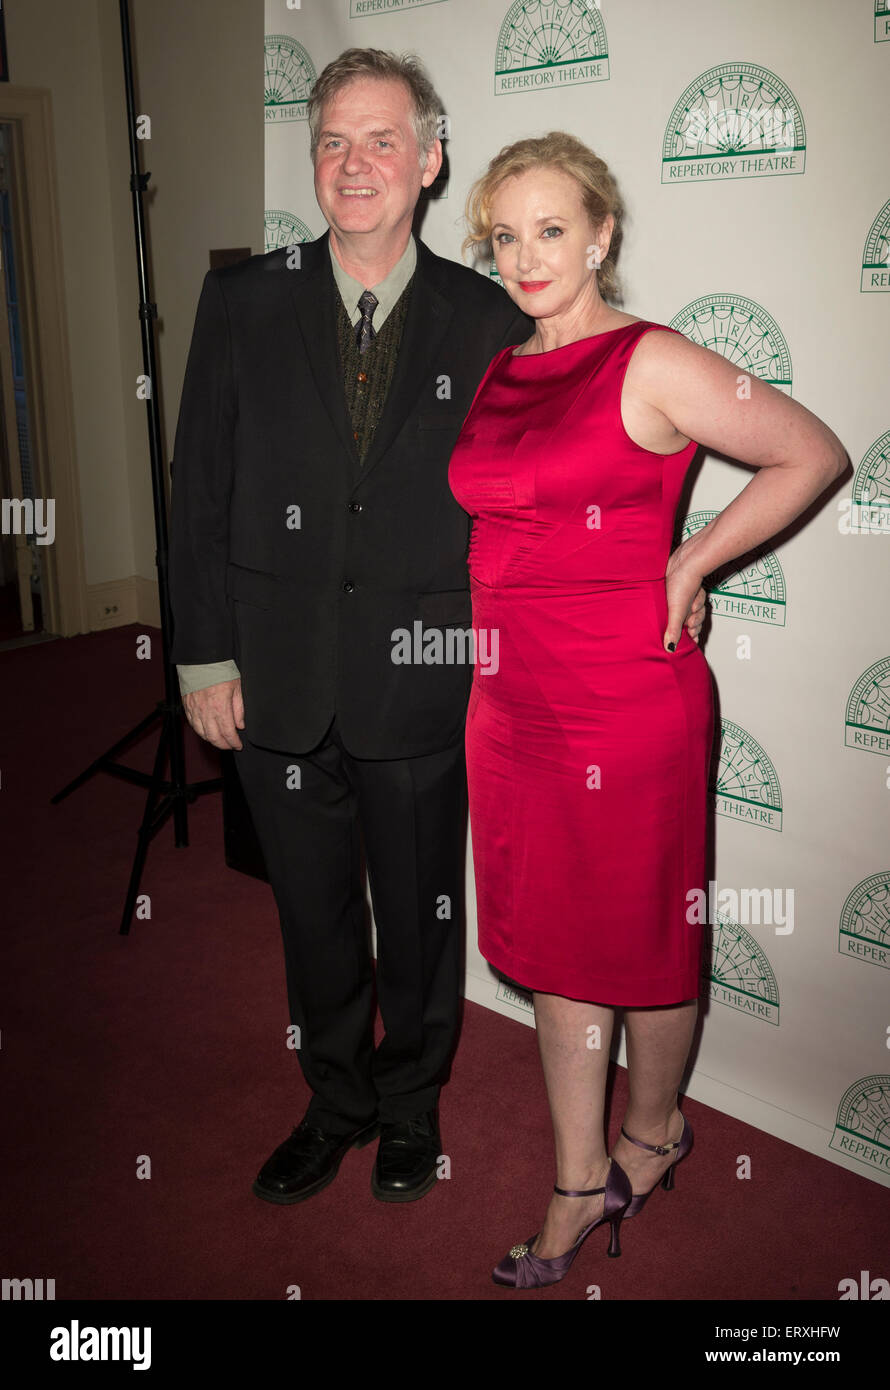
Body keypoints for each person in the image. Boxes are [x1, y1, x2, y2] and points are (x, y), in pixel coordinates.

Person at [168, 54, 705, 1214]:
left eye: (380, 141)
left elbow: (570, 468)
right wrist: (204, 656)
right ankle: (334, 1098)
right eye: (331, 143)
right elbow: (197, 487)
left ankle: (410, 1104)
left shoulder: (491, 312)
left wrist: (668, 560)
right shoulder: (243, 299)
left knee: (420, 908)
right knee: (309, 910)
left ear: (428, 159)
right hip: (274, 673)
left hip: (428, 676)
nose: (353, 165)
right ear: (313, 161)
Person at [448, 131, 847, 1289]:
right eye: (506, 235)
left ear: (601, 235)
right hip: (510, 702)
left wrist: (691, 565)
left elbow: (807, 453)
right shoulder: (497, 364)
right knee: (552, 951)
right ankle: (579, 1175)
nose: (526, 256)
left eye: (551, 230)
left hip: (624, 704)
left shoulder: (651, 359)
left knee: (641, 944)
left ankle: (654, 1128)